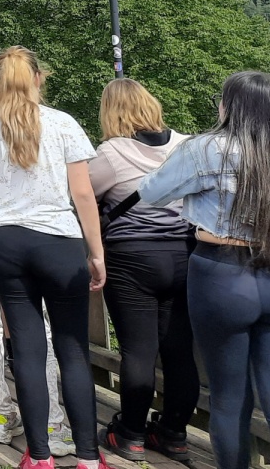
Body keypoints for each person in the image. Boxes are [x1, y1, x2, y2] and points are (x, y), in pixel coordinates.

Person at [0, 46, 106, 469]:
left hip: (5, 242)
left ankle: (39, 456)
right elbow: (83, 193)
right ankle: (89, 457)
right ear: (38, 79)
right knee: (72, 349)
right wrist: (96, 253)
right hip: (59, 242)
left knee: (28, 349)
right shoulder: (63, 123)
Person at [137, 71, 270, 469]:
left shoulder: (204, 148)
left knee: (229, 399)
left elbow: (151, 194)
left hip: (221, 274)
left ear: (228, 106)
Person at [88, 79, 198, 461]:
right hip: (183, 255)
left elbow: (83, 196)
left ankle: (130, 433)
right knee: (179, 350)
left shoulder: (110, 153)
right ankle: (174, 434)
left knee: (138, 351)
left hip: (131, 259)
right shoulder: (188, 146)